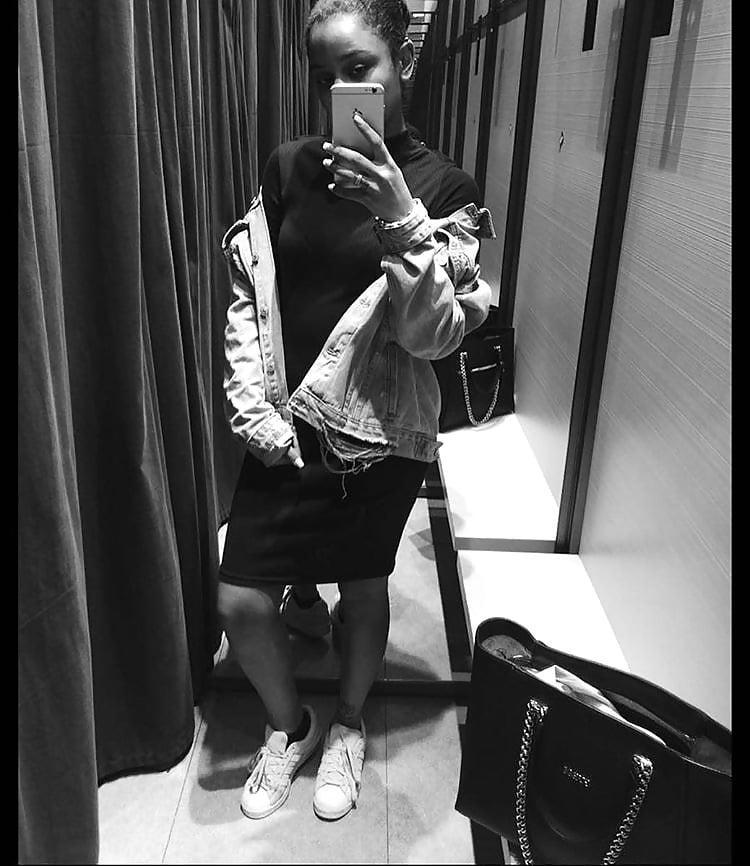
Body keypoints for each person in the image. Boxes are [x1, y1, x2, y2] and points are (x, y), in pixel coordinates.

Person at [217, 0, 491, 822]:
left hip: (379, 434)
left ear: (401, 61)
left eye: (359, 68)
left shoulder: (444, 186)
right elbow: (251, 287)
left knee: (364, 588)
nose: (340, 88)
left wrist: (402, 218)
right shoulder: (288, 166)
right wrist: (247, 400)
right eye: (323, 75)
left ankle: (345, 722)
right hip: (283, 423)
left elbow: (431, 337)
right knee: (240, 601)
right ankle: (288, 724)